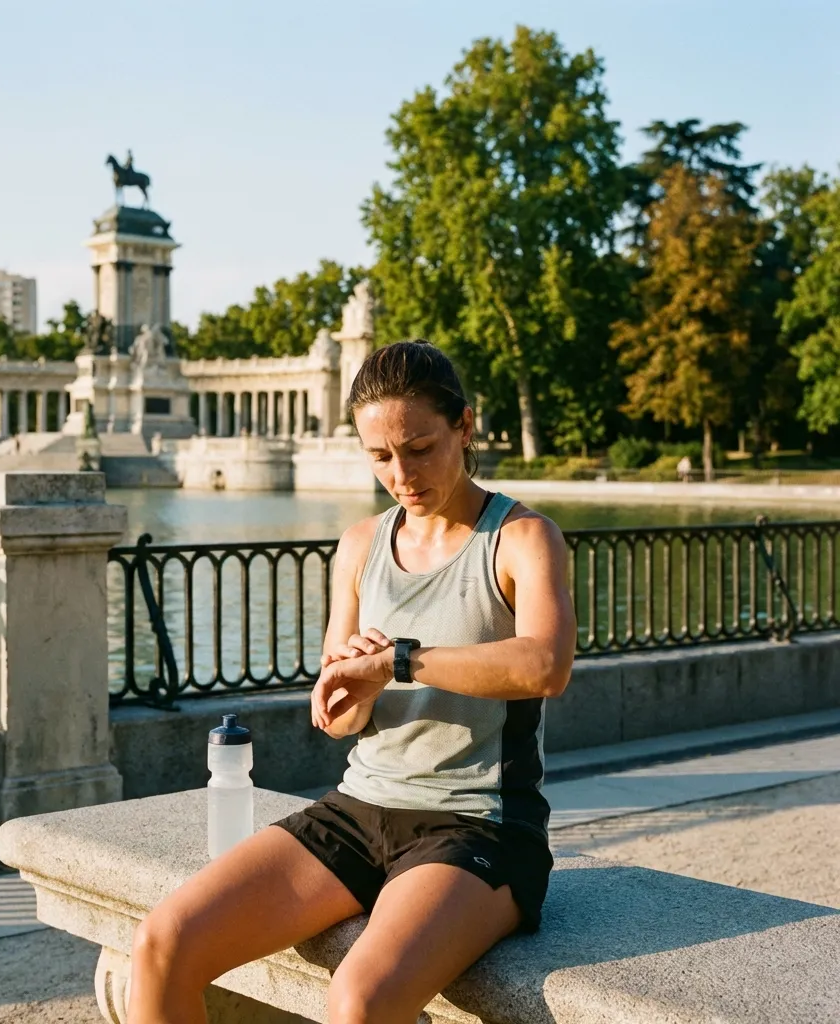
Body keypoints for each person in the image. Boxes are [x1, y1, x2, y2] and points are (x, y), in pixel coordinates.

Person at [127, 340, 576, 1024]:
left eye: (421, 447)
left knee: (360, 1002)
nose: (402, 473)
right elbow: (336, 718)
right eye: (380, 456)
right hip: (359, 806)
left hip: (479, 824)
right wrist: (358, 689)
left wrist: (399, 661)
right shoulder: (361, 543)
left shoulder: (521, 539)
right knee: (163, 943)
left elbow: (545, 666)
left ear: (465, 426)